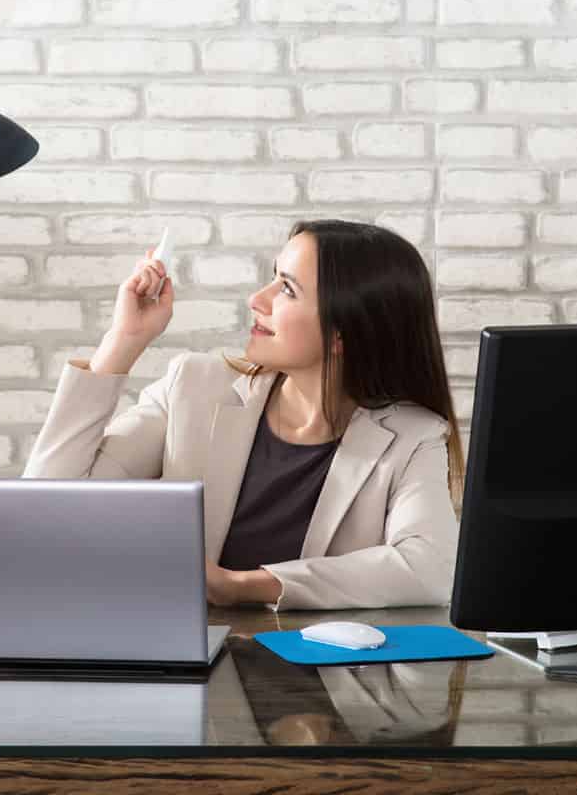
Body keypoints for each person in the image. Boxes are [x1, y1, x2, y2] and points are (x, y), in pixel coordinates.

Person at [23, 219, 464, 611]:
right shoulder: (194, 388)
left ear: (341, 333)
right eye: (273, 279)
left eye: (287, 289)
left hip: (321, 680)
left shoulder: (412, 437)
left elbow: (429, 568)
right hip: (181, 661)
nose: (258, 299)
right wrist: (123, 340)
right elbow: (47, 505)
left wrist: (242, 586)